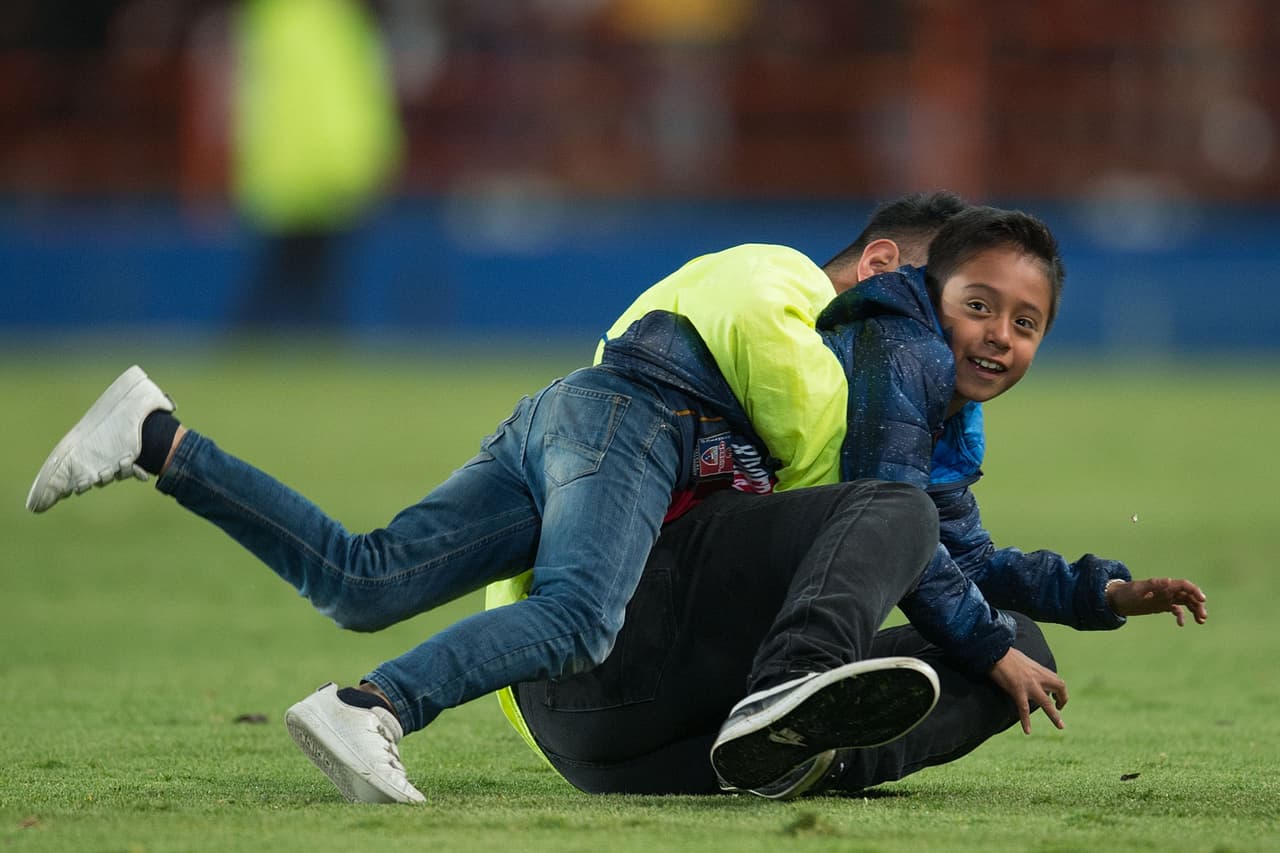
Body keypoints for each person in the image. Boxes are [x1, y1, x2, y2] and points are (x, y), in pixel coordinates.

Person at [24, 197, 990, 804]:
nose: (934, 359)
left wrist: (1066, 592)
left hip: (582, 427)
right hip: (636, 421)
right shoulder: (779, 281)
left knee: (365, 577)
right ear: (881, 269)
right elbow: (848, 484)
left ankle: (154, 438)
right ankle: (374, 702)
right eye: (937, 322)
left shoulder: (824, 343)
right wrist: (900, 475)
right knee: (579, 616)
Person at [496, 202, 1208, 798]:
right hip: (594, 660)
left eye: (1023, 322)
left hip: (653, 738)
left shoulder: (894, 404)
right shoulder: (778, 338)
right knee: (902, 516)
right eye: (967, 304)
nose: (985, 333)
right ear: (888, 279)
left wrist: (1099, 593)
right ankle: (789, 691)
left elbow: (965, 560)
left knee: (1018, 646)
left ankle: (792, 755)